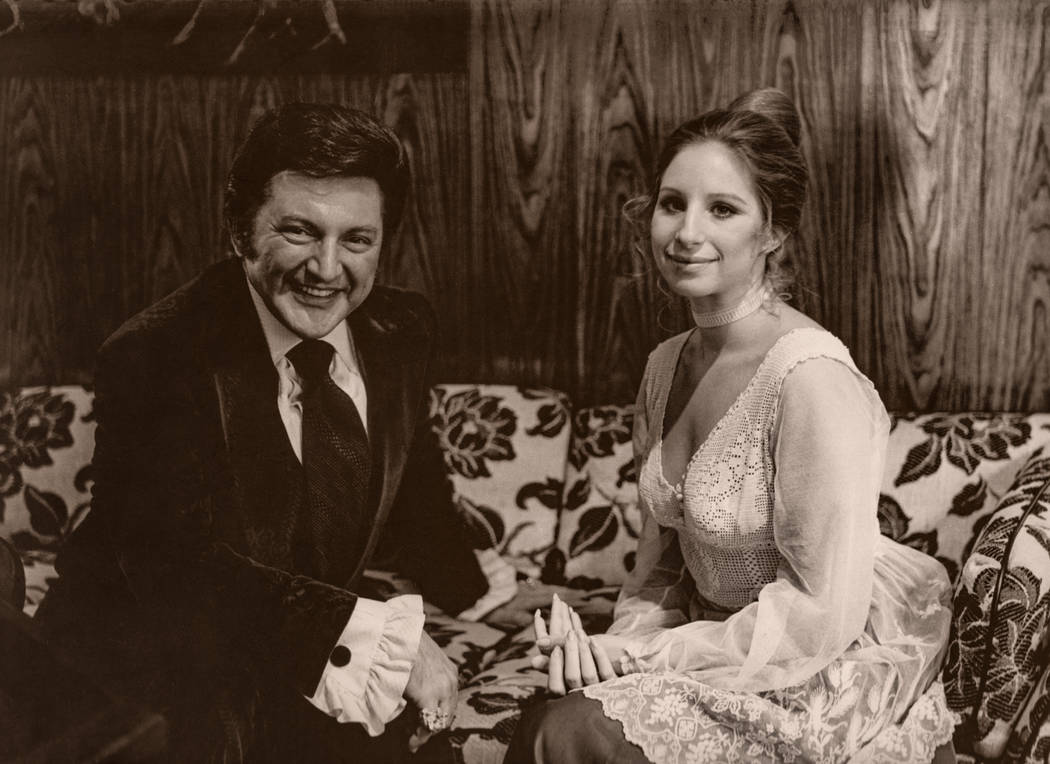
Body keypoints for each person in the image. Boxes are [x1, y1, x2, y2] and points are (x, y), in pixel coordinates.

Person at [35, 102, 522, 763]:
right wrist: (371, 635)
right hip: (154, 672)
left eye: (357, 240)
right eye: (299, 232)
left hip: (289, 666)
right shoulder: (157, 354)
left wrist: (489, 593)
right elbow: (172, 563)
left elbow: (410, 487)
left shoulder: (400, 329)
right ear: (241, 231)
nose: (327, 269)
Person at [505, 89, 955, 763]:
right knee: (559, 713)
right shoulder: (664, 366)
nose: (687, 232)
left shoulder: (809, 378)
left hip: (813, 674)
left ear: (772, 231)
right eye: (671, 203)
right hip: (716, 652)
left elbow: (818, 613)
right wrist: (614, 650)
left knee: (564, 733)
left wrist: (645, 656)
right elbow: (657, 571)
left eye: (722, 209)